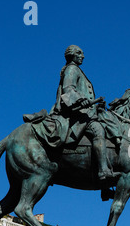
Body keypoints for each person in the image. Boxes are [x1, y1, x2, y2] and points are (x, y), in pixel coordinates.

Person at [49, 45, 121, 181]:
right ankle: (103, 171)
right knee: (98, 130)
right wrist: (80, 100)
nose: (83, 56)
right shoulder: (72, 69)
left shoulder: (76, 70)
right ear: (72, 55)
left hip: (84, 112)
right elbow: (68, 89)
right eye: (80, 53)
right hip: (76, 115)